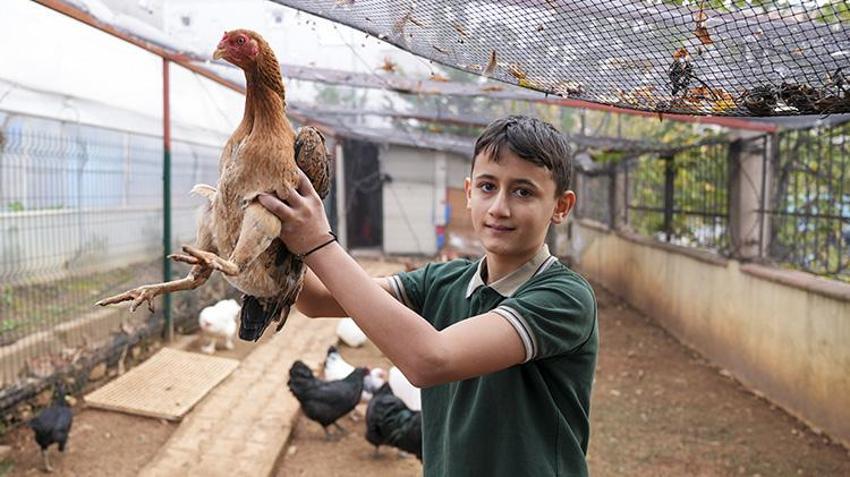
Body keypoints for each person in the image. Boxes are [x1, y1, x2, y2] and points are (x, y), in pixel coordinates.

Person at [259, 115, 598, 476]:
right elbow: (318, 299)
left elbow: (430, 360)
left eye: (523, 191)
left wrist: (318, 242)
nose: (499, 207)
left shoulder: (565, 297)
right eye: (487, 186)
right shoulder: (444, 279)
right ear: (468, 192)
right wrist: (264, 228)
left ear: (561, 206)